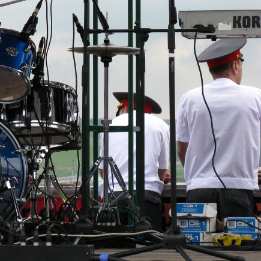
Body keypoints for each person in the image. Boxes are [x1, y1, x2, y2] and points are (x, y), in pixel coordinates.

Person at [177, 38, 261, 221]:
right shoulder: (255, 96)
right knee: (238, 239)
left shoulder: (189, 98)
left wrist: (199, 174)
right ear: (235, 66)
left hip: (199, 189)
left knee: (199, 239)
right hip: (238, 188)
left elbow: (182, 149)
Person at [99, 92, 170, 231]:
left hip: (114, 195)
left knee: (113, 241)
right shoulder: (160, 124)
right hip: (147, 195)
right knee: (148, 241)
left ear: (125, 108)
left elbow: (102, 170)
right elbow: (162, 170)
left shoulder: (108, 125)